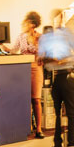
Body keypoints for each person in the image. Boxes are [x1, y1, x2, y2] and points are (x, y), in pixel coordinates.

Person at [38, 9, 74, 147]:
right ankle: (57, 145)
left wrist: (62, 60)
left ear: (62, 17)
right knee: (57, 112)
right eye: (53, 17)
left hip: (68, 75)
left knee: (70, 112)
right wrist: (45, 58)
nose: (55, 20)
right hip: (56, 76)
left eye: (58, 17)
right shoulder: (48, 37)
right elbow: (42, 57)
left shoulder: (68, 34)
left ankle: (71, 145)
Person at [10, 11, 45, 139]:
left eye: (26, 23)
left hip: (36, 68)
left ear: (33, 24)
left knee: (36, 99)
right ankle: (28, 126)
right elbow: (13, 51)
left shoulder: (40, 37)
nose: (23, 25)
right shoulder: (21, 37)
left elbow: (43, 52)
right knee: (24, 99)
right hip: (23, 68)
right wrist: (0, 45)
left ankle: (39, 128)